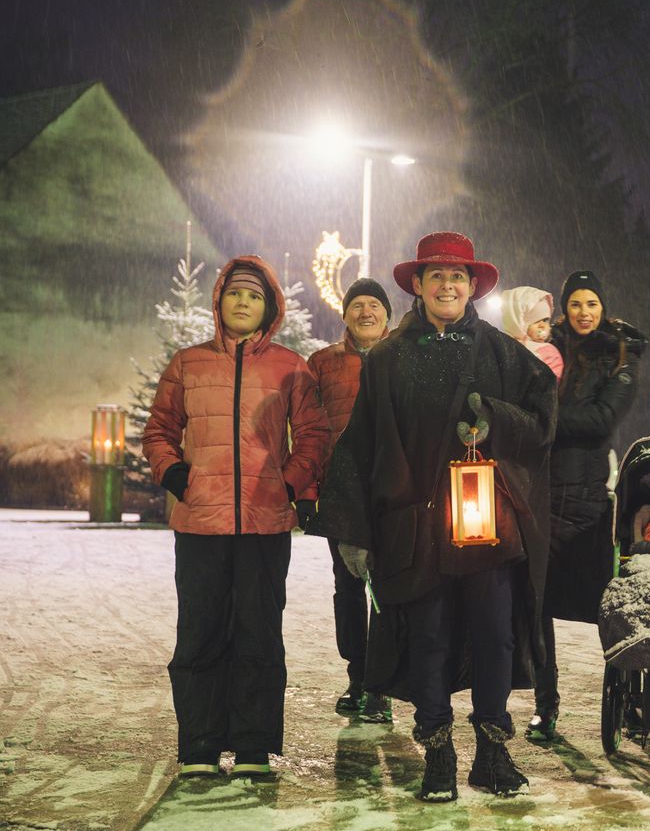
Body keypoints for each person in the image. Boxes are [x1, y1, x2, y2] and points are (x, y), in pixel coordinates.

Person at [311, 232, 556, 802]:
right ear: (417, 286)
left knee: (495, 636)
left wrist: (495, 416)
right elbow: (360, 443)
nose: (448, 285)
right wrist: (351, 529)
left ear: (472, 287)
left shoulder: (500, 352)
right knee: (429, 640)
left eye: (458, 277)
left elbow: (543, 416)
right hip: (416, 527)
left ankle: (492, 754)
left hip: (486, 525)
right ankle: (438, 757)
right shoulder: (388, 358)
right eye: (437, 276)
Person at [143, 256, 329, 778]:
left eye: (254, 296)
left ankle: (252, 745)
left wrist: (288, 483)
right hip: (201, 523)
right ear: (219, 301)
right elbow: (158, 430)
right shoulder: (188, 363)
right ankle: (199, 746)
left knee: (259, 634)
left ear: (269, 308)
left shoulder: (291, 366)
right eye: (234, 294)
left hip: (264, 524)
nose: (243, 303)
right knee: (199, 633)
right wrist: (176, 475)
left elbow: (313, 436)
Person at [527, 270, 646, 741]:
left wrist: (542, 419)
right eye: (575, 303)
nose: (583, 313)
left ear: (603, 306)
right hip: (540, 492)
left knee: (606, 607)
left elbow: (602, 420)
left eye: (591, 303)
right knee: (535, 606)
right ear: (563, 307)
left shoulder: (619, 355)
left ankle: (627, 696)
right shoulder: (545, 348)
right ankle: (545, 703)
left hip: (586, 501)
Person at [301, 277, 393, 723]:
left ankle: (384, 685)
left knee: (391, 590)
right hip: (342, 494)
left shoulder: (404, 357)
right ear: (345, 314)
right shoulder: (322, 364)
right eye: (357, 305)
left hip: (395, 493)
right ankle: (358, 675)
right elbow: (307, 434)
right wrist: (308, 492)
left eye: (374, 304)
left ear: (388, 315)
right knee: (349, 589)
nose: (366, 312)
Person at [501, 285, 564, 379]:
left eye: (546, 320)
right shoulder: (506, 348)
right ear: (521, 324)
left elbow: (551, 381)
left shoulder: (548, 351)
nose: (542, 325)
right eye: (536, 321)